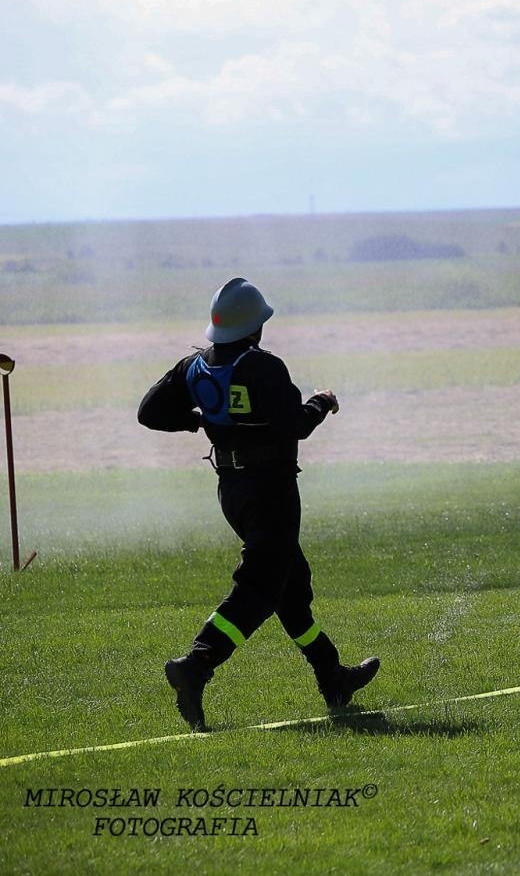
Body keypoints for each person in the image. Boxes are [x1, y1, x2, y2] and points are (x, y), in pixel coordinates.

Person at [137, 277, 378, 730]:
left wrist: (196, 421)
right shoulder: (263, 367)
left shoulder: (193, 367)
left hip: (233, 491)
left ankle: (332, 675)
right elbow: (293, 426)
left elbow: (148, 412)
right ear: (256, 327)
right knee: (259, 589)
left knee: (290, 586)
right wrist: (321, 402)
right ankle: (196, 664)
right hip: (271, 490)